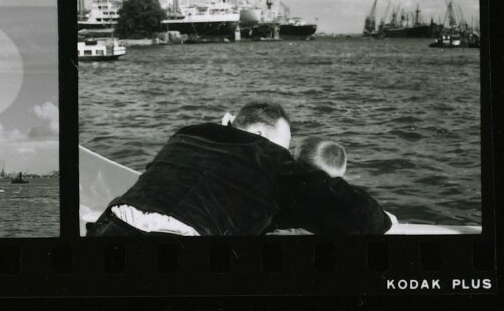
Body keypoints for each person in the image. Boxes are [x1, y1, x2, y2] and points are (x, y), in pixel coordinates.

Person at [90, 100, 395, 237]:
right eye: (283, 145)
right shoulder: (268, 157)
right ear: (261, 135)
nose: (284, 154)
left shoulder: (186, 134)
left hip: (110, 227)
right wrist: (384, 220)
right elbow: (349, 209)